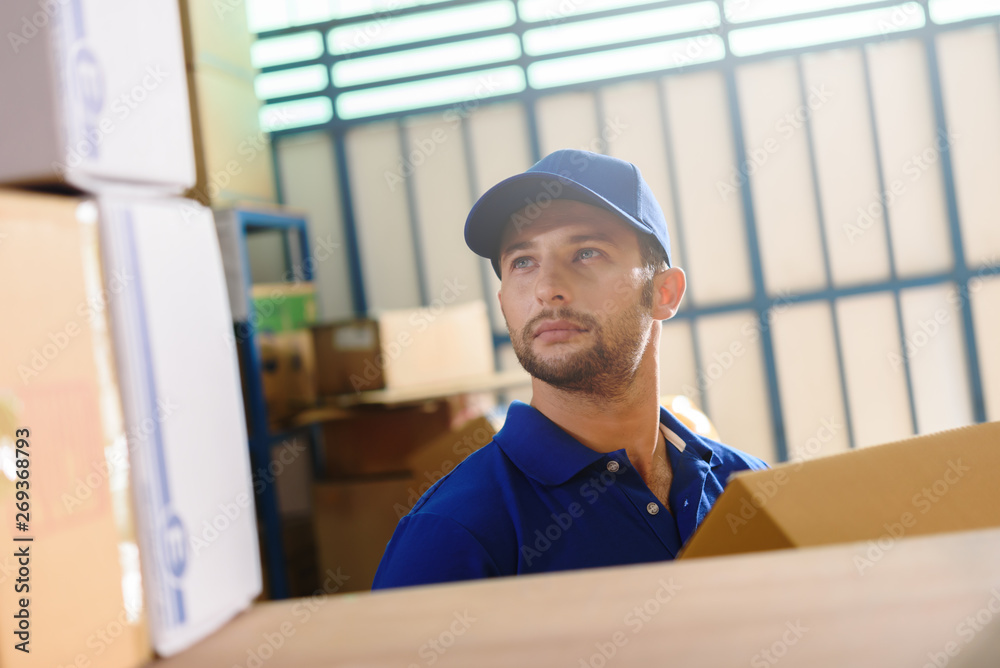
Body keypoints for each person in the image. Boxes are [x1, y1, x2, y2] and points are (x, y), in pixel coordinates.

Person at [372, 149, 767, 590]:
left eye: (587, 253)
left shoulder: (753, 491)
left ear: (665, 293)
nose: (547, 289)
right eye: (522, 262)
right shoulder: (454, 534)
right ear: (504, 304)